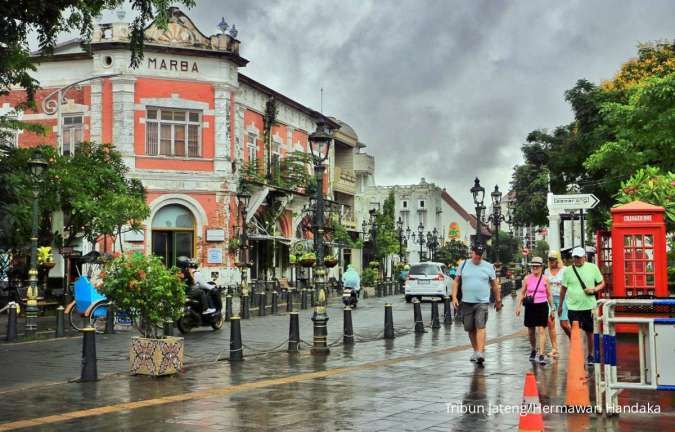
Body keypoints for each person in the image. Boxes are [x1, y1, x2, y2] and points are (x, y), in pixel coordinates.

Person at [451, 244, 502, 365]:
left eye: (480, 255)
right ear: (471, 253)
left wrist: (498, 300)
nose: (478, 257)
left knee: (480, 326)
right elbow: (456, 281)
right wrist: (453, 297)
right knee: (469, 328)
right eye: (476, 254)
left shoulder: (489, 267)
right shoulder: (463, 264)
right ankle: (475, 350)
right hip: (467, 302)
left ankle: (480, 352)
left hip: (482, 302)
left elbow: (494, 285)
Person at [559, 246, 605, 365]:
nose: (577, 260)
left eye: (579, 257)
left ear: (584, 257)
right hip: (573, 307)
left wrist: (594, 289)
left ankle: (590, 355)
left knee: (589, 332)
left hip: (589, 306)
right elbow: (563, 289)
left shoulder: (592, 268)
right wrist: (560, 306)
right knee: (575, 333)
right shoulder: (568, 271)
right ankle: (578, 354)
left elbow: (602, 283)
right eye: (575, 257)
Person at [515, 257, 554, 365]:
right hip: (530, 306)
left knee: (541, 330)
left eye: (537, 266)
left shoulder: (545, 279)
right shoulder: (527, 278)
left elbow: (549, 295)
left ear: (541, 267)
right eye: (533, 266)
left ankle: (541, 354)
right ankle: (533, 349)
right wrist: (518, 306)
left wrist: (553, 309)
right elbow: (522, 293)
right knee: (531, 331)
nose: (535, 268)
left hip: (542, 305)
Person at [546, 250, 570, 357]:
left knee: (564, 324)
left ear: (558, 260)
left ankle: (573, 340)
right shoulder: (546, 271)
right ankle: (554, 348)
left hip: (563, 299)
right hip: (550, 299)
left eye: (554, 259)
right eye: (550, 259)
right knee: (550, 323)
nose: (552, 262)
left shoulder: (565, 270)